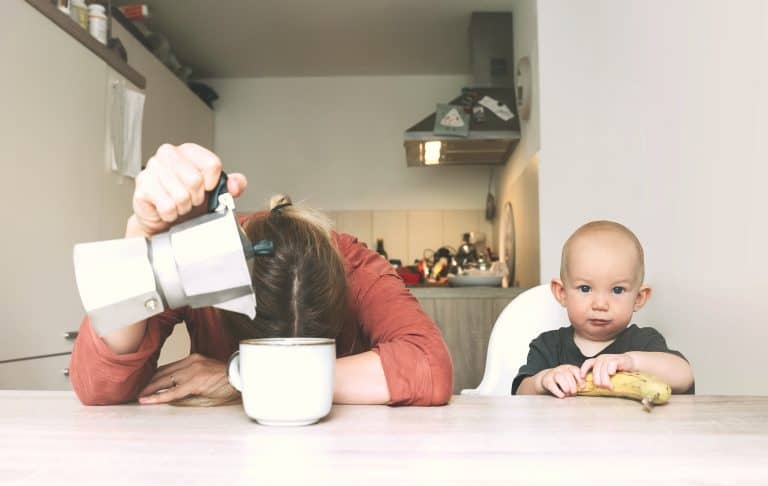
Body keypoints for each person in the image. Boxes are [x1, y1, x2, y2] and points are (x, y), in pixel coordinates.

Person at [70, 143, 453, 407]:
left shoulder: (355, 264)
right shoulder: (208, 264)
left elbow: (428, 366)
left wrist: (241, 377)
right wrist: (141, 235)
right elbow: (98, 384)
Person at [513, 220, 694, 397]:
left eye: (617, 290)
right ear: (562, 293)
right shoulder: (549, 345)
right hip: (564, 428)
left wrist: (632, 361)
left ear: (639, 298)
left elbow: (684, 376)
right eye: (585, 289)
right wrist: (541, 381)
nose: (600, 304)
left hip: (629, 427)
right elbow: (520, 394)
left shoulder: (644, 342)